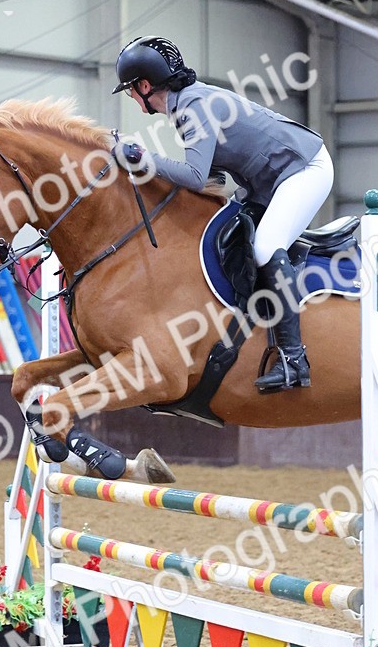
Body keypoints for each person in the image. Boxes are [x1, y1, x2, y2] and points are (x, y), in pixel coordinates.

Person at [112, 35, 334, 393]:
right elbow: (210, 178)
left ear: (144, 85)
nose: (132, 99)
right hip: (268, 181)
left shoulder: (191, 106)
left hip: (304, 169)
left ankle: (295, 360)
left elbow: (196, 176)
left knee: (264, 248)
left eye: (130, 91)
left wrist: (140, 157)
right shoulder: (187, 102)